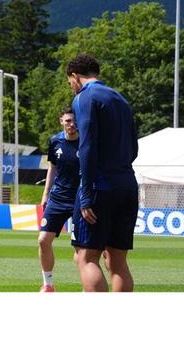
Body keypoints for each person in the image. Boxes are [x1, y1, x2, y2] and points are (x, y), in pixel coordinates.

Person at [67, 53, 139, 292]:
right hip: (127, 185)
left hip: (100, 186)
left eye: (70, 83)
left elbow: (86, 144)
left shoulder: (84, 98)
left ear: (75, 77)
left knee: (86, 258)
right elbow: (134, 147)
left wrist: (86, 192)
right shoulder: (120, 98)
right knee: (118, 262)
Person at [37, 106, 79, 292]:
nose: (72, 124)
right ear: (61, 121)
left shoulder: (87, 140)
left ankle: (88, 286)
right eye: (68, 120)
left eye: (74, 120)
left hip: (80, 199)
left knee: (82, 248)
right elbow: (52, 167)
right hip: (58, 198)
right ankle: (48, 285)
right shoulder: (55, 141)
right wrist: (46, 194)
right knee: (43, 240)